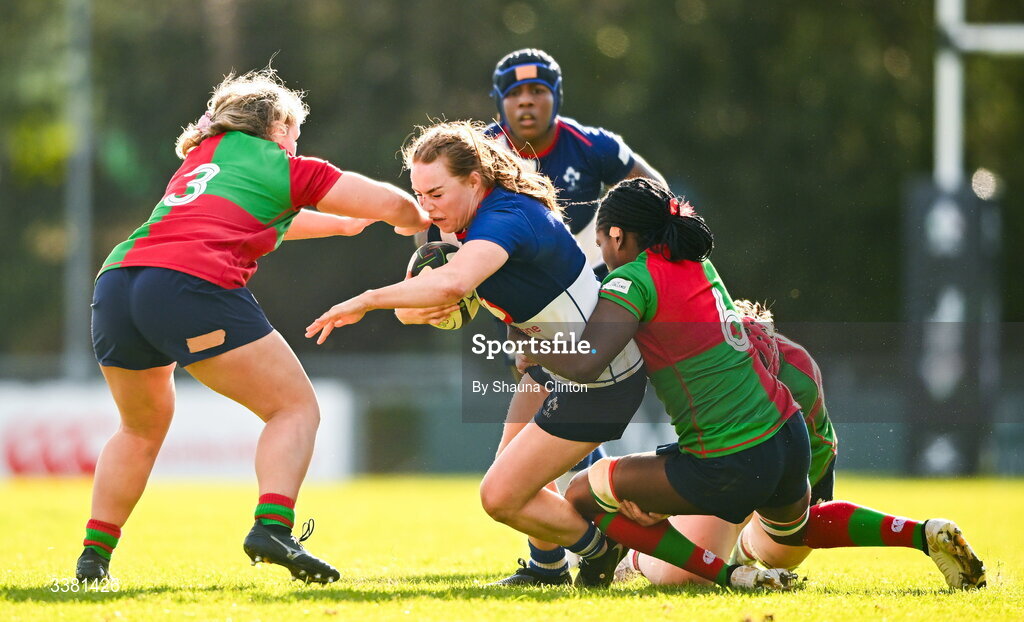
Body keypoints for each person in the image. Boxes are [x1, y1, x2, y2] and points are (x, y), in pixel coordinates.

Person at [306, 121, 793, 591]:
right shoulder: (475, 220)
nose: (428, 207)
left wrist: (368, 299)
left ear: (474, 181)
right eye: (421, 194)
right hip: (558, 361)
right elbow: (444, 298)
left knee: (500, 495)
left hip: (597, 376)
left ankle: (599, 547)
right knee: (511, 485)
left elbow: (454, 283)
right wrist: (420, 308)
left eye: (437, 193)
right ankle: (548, 567)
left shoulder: (505, 218)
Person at [514, 177, 987, 591]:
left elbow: (588, 363)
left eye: (602, 244)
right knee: (790, 536)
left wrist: (533, 347)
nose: (605, 258)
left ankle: (711, 575)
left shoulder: (631, 280)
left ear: (616, 234)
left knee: (582, 490)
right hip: (788, 439)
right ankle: (924, 532)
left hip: (728, 461)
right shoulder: (700, 266)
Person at [75, 68, 429, 585]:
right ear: (277, 126)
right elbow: (393, 203)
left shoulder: (204, 157)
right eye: (294, 131)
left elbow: (258, 214)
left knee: (138, 429)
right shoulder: (283, 165)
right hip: (187, 286)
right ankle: (272, 528)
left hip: (118, 283)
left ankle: (93, 559)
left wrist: (344, 223)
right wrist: (413, 218)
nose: (296, 142)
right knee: (294, 408)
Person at [403, 48, 669, 584]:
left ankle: (608, 528)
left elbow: (655, 196)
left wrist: (622, 254)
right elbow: (433, 217)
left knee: (546, 446)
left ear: (556, 97)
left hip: (593, 309)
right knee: (531, 449)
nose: (527, 102)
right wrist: (438, 267)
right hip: (533, 312)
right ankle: (566, 553)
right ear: (500, 101)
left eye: (539, 92)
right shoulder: (475, 152)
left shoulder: (592, 146)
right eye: (516, 94)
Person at [617, 302, 987, 591]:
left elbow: (780, 475)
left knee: (781, 552)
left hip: (777, 470)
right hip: (751, 468)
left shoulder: (787, 381)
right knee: (688, 578)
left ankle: (738, 553)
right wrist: (666, 499)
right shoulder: (720, 369)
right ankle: (634, 560)